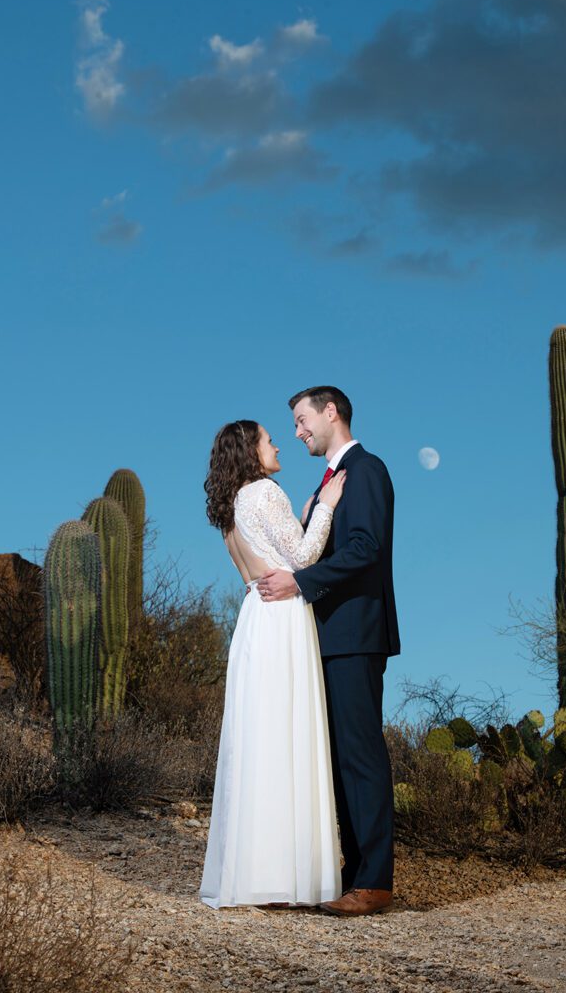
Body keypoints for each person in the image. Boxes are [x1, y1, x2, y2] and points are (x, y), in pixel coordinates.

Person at [257, 387, 400, 917]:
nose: (297, 432)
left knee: (360, 756)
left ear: (331, 412)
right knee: (338, 760)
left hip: (356, 636)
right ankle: (349, 876)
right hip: (327, 638)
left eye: (301, 419)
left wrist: (300, 582)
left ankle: (374, 882)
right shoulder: (327, 483)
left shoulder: (366, 470)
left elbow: (366, 548)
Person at [199, 419, 346, 909]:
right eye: (268, 439)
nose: (278, 444)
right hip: (282, 619)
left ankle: (255, 874)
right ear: (250, 452)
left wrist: (303, 514)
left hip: (252, 619)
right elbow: (303, 557)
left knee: (258, 742)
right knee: (288, 737)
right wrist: (324, 509)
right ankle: (290, 878)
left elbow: (264, 559)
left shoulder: (231, 507)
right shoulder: (264, 491)